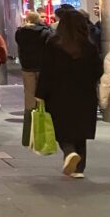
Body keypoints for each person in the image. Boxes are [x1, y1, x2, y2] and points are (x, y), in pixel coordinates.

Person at [35, 11, 103, 178]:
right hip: (85, 94)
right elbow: (98, 71)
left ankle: (69, 151)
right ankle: (79, 169)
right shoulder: (89, 46)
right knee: (80, 130)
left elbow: (47, 71)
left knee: (61, 126)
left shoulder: (54, 43)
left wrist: (40, 94)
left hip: (58, 94)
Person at [15, 11, 52, 145]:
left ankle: (27, 136)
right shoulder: (46, 32)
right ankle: (45, 132)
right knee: (44, 98)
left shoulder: (20, 33)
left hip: (27, 68)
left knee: (29, 100)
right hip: (43, 68)